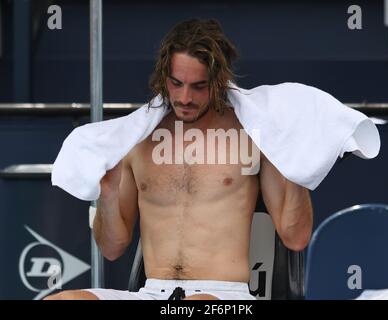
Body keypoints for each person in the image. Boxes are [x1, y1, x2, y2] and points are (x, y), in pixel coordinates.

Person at [45, 18, 313, 300]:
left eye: (199, 86)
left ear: (219, 82)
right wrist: (107, 197)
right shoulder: (136, 139)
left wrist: (299, 167)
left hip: (225, 297)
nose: (185, 97)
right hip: (152, 293)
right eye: (177, 83)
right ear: (164, 77)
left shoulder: (252, 136)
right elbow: (112, 249)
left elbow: (295, 238)